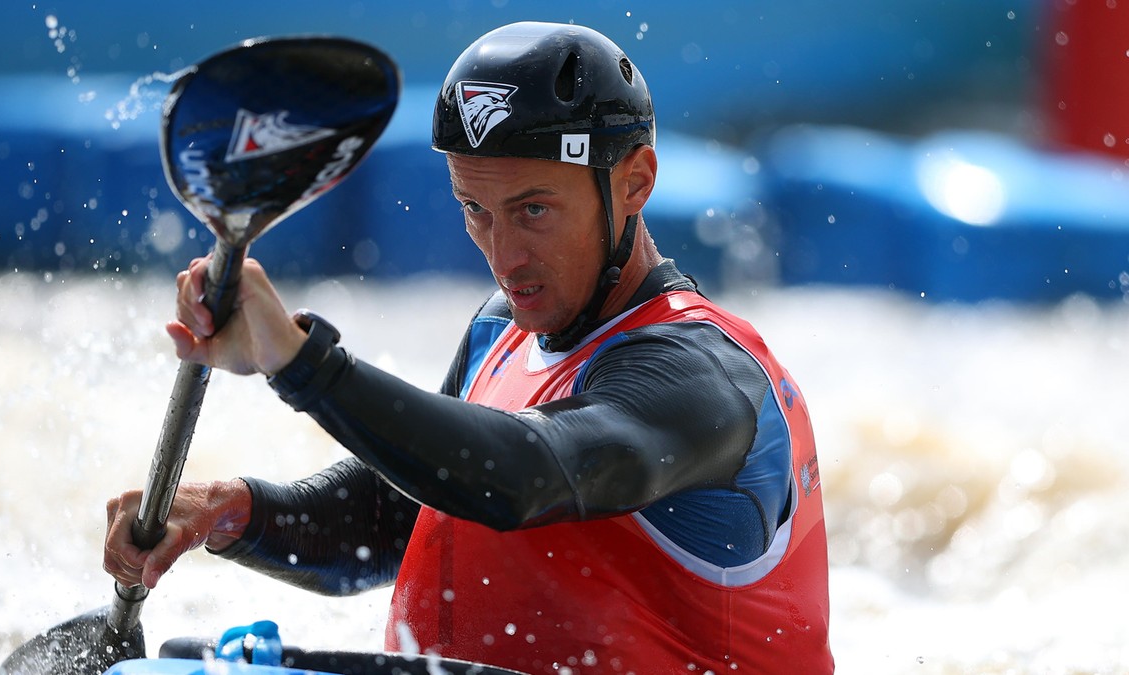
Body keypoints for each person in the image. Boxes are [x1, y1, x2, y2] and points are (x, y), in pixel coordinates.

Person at [104, 21, 834, 674]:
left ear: (635, 180)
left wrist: (300, 361)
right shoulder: (501, 329)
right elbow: (398, 517)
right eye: (475, 211)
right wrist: (228, 512)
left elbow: (526, 475)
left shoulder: (704, 379)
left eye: (534, 210)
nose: (505, 254)